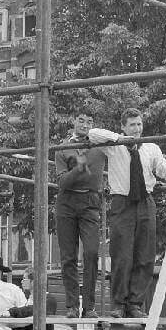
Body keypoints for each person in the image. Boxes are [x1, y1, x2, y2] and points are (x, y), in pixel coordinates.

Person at [89, 108, 166, 318]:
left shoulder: (151, 147)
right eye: (132, 125)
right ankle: (119, 304)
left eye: (139, 124)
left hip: (145, 201)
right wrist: (120, 139)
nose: (137, 129)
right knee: (121, 254)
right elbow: (92, 134)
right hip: (122, 202)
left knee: (145, 255)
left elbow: (165, 175)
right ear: (123, 126)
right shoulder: (115, 146)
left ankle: (135, 304)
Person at [53, 111, 106, 318]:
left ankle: (89, 307)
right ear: (73, 122)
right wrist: (79, 168)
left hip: (90, 202)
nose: (85, 124)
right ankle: (72, 306)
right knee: (68, 257)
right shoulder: (63, 148)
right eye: (81, 120)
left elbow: (122, 144)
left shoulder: (101, 146)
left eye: (89, 121)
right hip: (66, 203)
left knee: (91, 253)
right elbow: (62, 182)